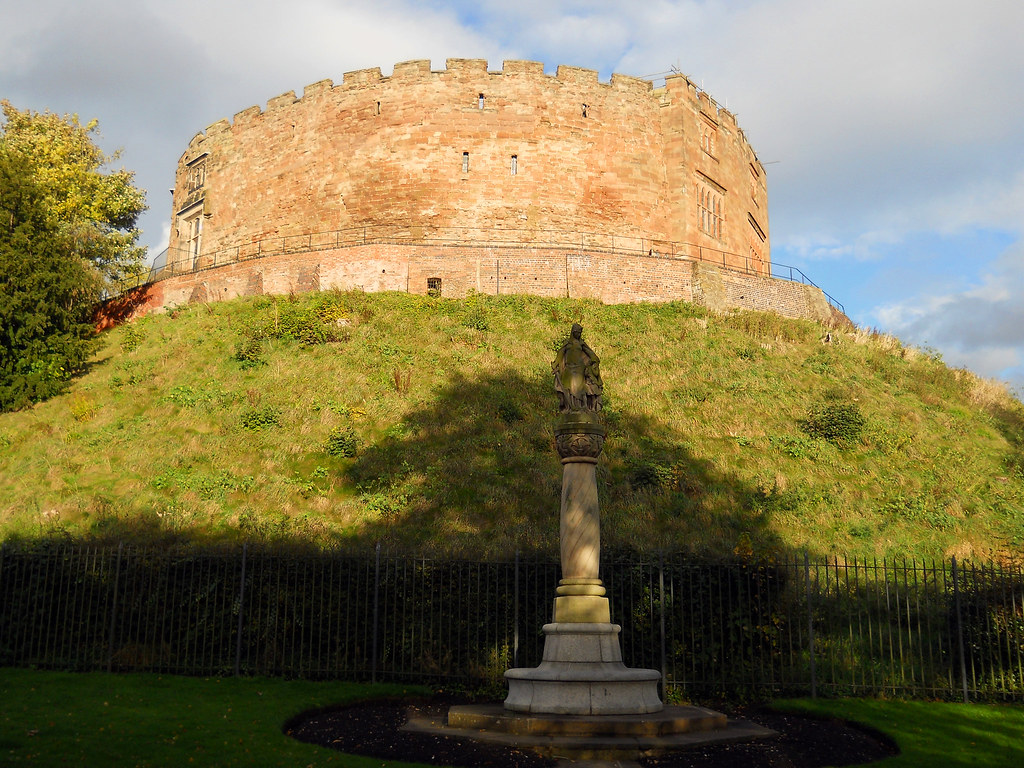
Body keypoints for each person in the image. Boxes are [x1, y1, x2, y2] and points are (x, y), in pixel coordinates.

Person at [552, 323, 603, 413]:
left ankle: (581, 407)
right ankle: (571, 408)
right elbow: (560, 355)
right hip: (568, 368)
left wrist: (594, 360)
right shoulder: (567, 343)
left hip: (580, 368)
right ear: (573, 332)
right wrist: (555, 363)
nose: (579, 335)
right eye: (577, 333)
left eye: (580, 333)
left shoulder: (581, 343)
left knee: (579, 388)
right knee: (569, 387)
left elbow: (590, 353)